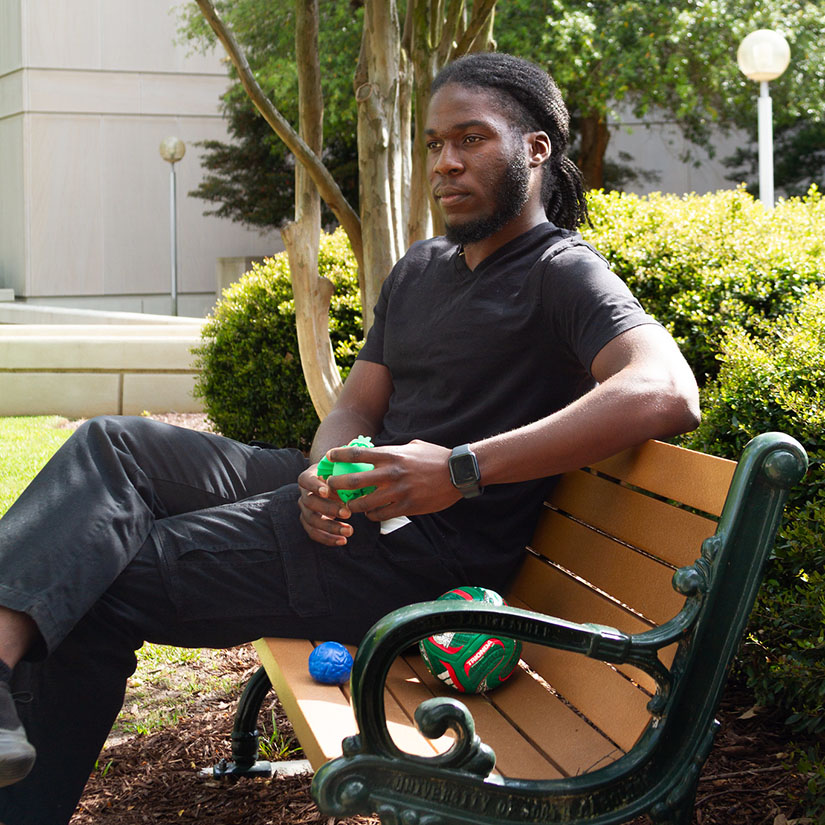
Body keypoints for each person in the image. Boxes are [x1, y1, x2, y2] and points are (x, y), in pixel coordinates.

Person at [0, 52, 700, 824]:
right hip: (354, 509)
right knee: (112, 444)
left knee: (94, 587)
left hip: (419, 557)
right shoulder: (424, 267)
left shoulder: (561, 272)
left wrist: (461, 468)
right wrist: (324, 467)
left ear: (535, 149)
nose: (446, 161)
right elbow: (357, 402)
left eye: (470, 138)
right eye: (435, 143)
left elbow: (663, 390)